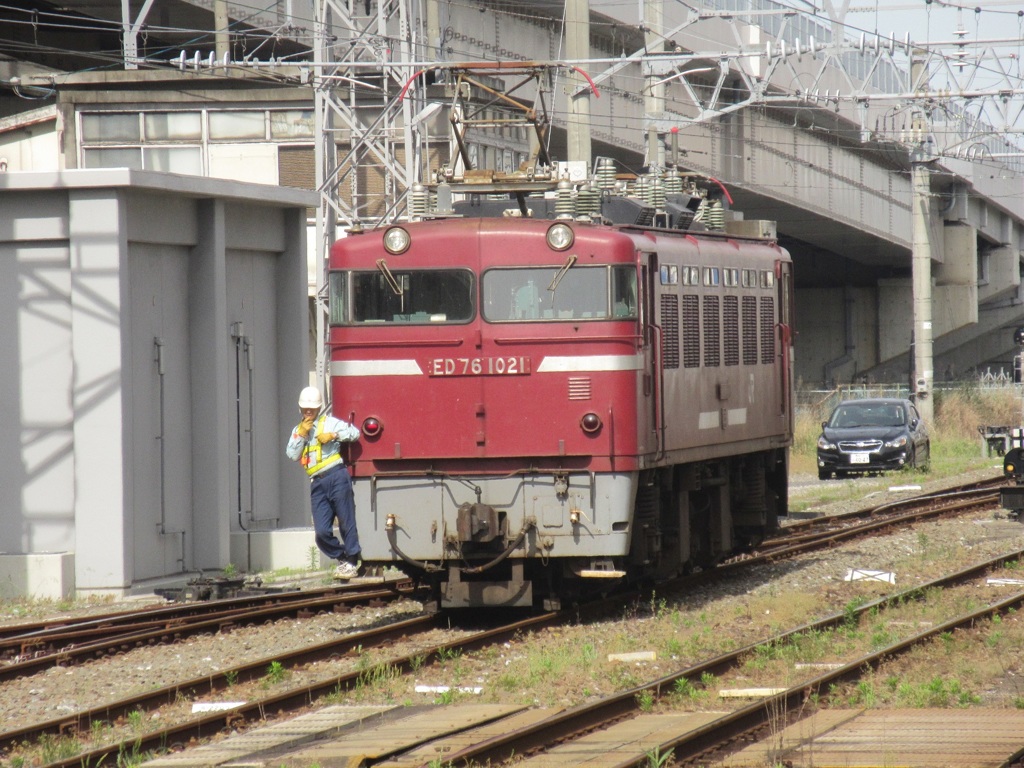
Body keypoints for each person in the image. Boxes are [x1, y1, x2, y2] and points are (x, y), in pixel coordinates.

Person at [285, 385, 363, 579]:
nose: (308, 411)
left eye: (312, 408)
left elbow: (355, 433)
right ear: (300, 409)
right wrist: (301, 435)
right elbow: (292, 454)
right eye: (305, 408)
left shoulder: (330, 423)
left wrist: (334, 435)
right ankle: (342, 557)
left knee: (346, 521)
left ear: (319, 408)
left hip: (336, 475)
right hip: (317, 483)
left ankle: (352, 561)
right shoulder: (298, 431)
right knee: (321, 531)